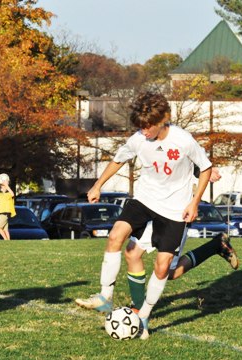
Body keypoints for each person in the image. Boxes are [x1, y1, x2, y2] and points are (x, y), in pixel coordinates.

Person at [75, 91, 214, 339]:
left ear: (164, 120)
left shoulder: (184, 140)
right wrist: (98, 185)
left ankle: (144, 316)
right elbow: (118, 160)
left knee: (163, 269)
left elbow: (206, 168)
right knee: (117, 236)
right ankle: (105, 296)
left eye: (149, 125)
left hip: (174, 209)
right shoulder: (138, 139)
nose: (145, 130)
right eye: (141, 126)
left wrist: (195, 202)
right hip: (144, 199)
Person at [124, 167, 239, 313]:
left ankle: (215, 246)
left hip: (175, 214)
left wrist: (204, 171)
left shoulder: (181, 145)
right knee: (132, 253)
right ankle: (138, 308)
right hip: (153, 208)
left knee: (169, 272)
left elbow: (189, 157)